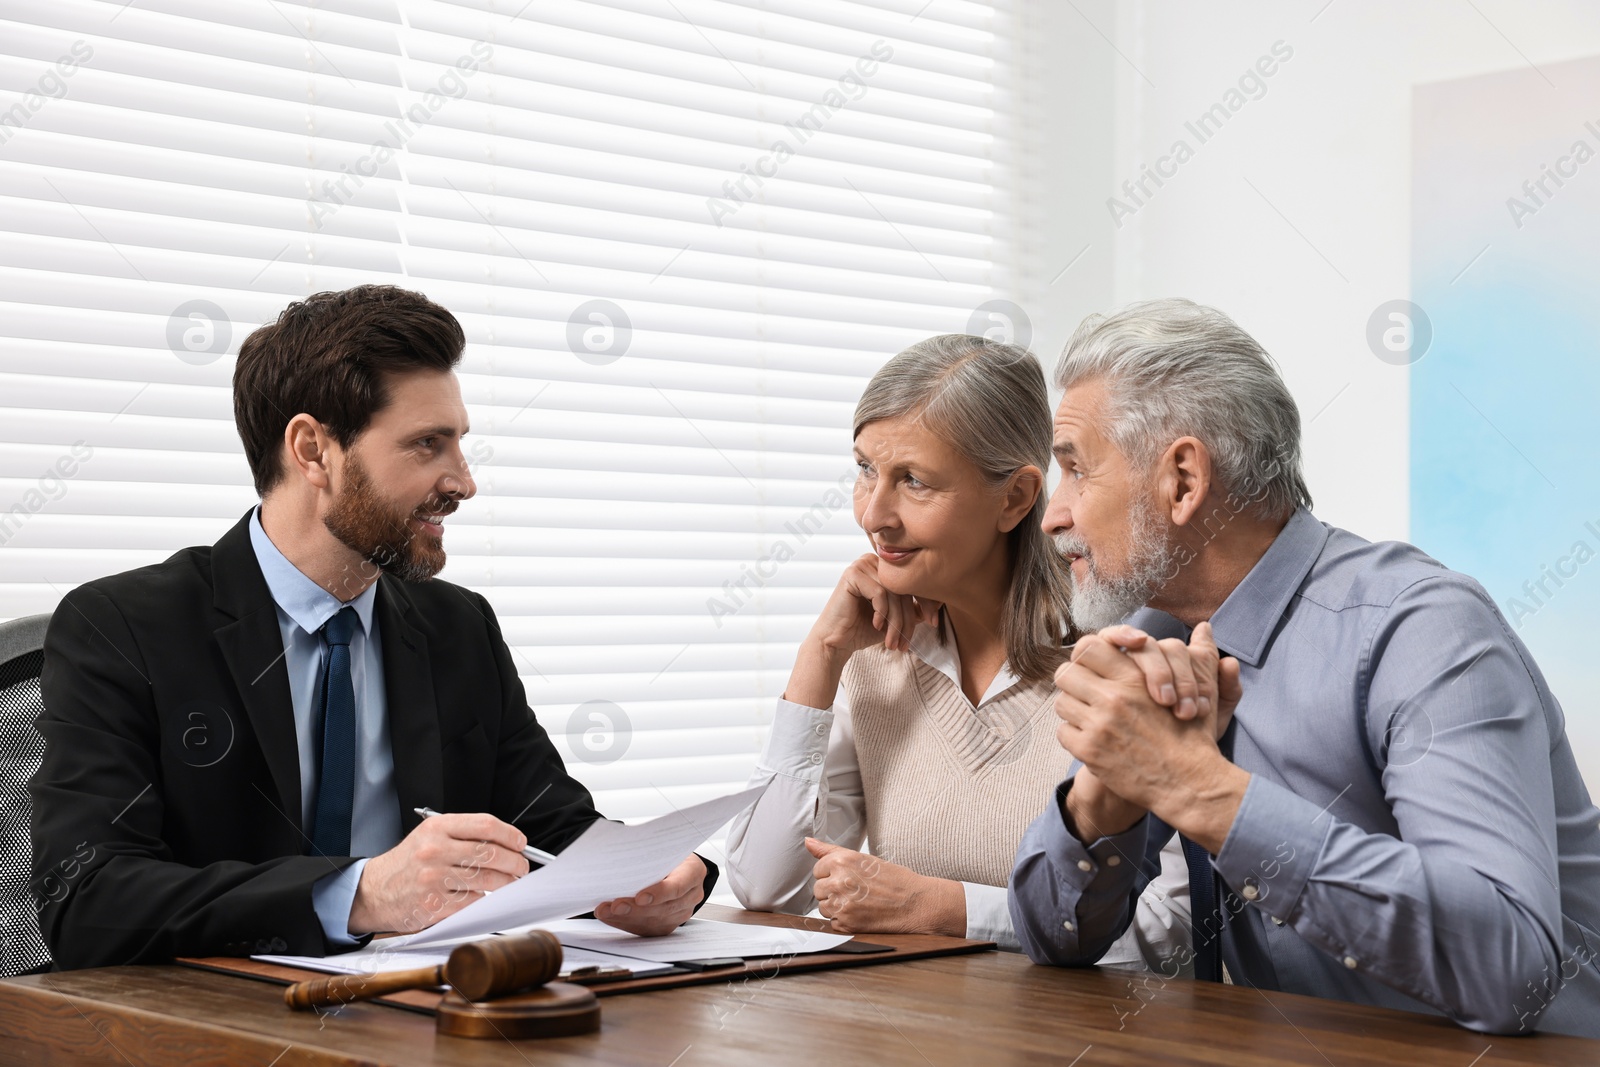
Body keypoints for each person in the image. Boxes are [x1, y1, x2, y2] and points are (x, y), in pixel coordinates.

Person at [32, 285, 713, 967]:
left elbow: (552, 825)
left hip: (417, 1016)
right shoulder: (124, 627)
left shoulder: (457, 626)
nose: (464, 481)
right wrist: (358, 894)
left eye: (459, 444)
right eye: (427, 444)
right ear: (313, 450)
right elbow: (87, 899)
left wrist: (652, 873)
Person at [1008, 297, 1600, 1037]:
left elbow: (1512, 971)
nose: (1052, 514)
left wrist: (1194, 788)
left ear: (1184, 480)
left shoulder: (1422, 628)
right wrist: (1104, 794)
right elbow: (1052, 936)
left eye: (1074, 470)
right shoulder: (1154, 634)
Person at [726, 334, 1192, 966]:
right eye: (866, 470)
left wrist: (947, 909)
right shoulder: (873, 655)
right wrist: (823, 654)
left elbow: (1172, 930)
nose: (875, 515)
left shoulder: (1120, 656)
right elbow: (766, 888)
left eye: (914, 481)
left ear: (1015, 499)